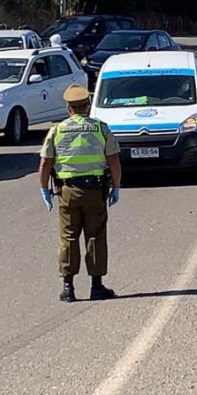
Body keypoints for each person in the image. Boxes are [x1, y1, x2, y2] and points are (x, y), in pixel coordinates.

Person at [38, 84, 122, 302]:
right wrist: (116, 186)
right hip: (94, 191)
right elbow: (113, 159)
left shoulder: (57, 130)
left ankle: (68, 288)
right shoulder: (100, 128)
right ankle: (96, 287)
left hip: (67, 191)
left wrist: (44, 189)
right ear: (88, 106)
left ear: (69, 108)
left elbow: (45, 162)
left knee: (68, 237)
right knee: (95, 235)